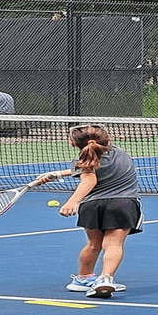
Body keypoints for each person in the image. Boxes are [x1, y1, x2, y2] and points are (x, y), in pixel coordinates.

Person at [34, 125, 142, 299]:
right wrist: (62, 181)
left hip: (92, 206)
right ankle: (105, 279)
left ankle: (83, 279)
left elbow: (89, 175)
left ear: (72, 143)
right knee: (113, 244)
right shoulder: (121, 153)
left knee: (93, 244)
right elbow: (90, 176)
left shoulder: (82, 161)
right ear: (107, 140)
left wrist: (71, 197)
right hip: (122, 204)